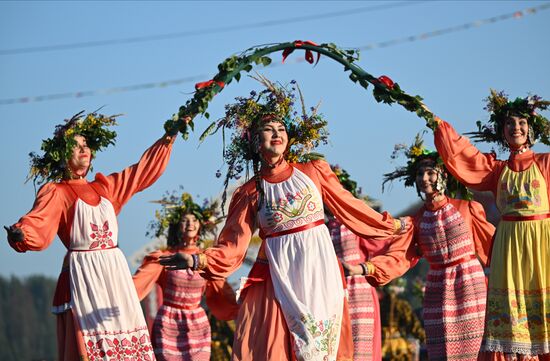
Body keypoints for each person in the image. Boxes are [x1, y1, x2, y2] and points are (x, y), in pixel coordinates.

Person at [159, 75, 409, 361]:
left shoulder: (314, 170)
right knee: (279, 345)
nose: (276, 133)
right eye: (267, 129)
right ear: (254, 142)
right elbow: (233, 244)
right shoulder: (250, 191)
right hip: (278, 273)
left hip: (319, 268)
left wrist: (391, 225)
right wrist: (196, 260)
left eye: (281, 128)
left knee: (322, 346)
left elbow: (349, 206)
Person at [4, 111, 184, 360]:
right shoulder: (56, 191)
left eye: (86, 144)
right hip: (83, 275)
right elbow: (39, 222)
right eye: (75, 146)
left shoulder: (105, 187)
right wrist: (21, 233)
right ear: (62, 155)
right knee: (90, 346)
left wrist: (168, 137)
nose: (83, 150)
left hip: (113, 273)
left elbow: (140, 172)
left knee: (124, 342)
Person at [429, 90, 550, 360]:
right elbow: (464, 156)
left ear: (531, 130)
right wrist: (437, 123)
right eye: (509, 123)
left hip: (542, 242)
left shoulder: (545, 162)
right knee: (510, 312)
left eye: (521, 123)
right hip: (509, 244)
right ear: (502, 131)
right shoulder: (497, 169)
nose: (515, 127)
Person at [361, 133, 495, 361]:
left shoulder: (468, 208)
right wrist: (368, 268)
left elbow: (493, 246)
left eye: (430, 172)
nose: (424, 178)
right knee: (442, 351)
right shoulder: (417, 221)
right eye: (420, 173)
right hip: (437, 288)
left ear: (443, 175)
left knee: (476, 348)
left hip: (470, 283)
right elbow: (399, 255)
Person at [133, 191, 239, 361]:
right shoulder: (164, 257)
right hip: (168, 323)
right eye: (185, 220)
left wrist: (241, 310)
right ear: (177, 225)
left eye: (194, 220)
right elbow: (137, 284)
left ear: (200, 225)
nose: (190, 224)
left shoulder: (205, 259)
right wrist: (118, 294)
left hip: (197, 322)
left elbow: (221, 290)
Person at [327, 165, 390, 361]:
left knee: (360, 351)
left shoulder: (355, 224)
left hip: (358, 292)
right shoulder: (320, 227)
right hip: (333, 294)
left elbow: (382, 244)